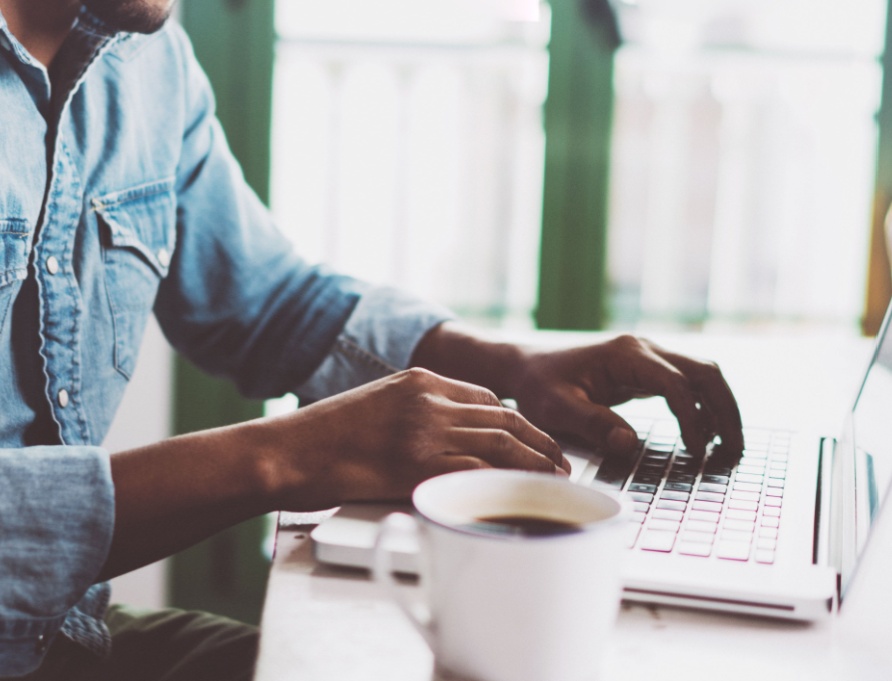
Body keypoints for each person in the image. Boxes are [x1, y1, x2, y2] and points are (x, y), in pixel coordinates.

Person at [0, 0, 744, 679]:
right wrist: (289, 455)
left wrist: (515, 368)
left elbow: (269, 303)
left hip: (66, 638)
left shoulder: (146, 60)